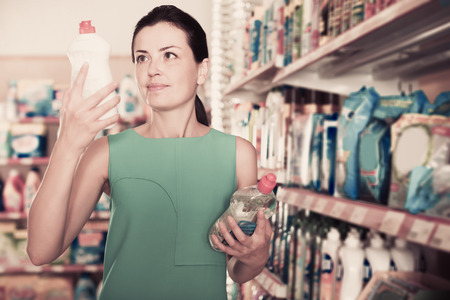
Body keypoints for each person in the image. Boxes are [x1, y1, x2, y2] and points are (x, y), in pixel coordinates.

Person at [27, 5, 272, 299]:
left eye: (169, 55)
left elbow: (236, 268)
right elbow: (41, 251)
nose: (152, 69)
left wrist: (256, 256)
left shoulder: (238, 154)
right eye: (142, 58)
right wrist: (67, 143)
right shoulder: (105, 152)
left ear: (202, 70)